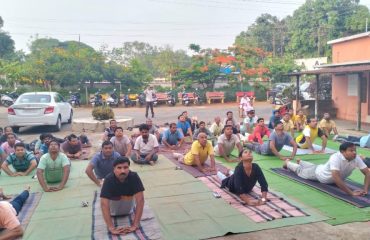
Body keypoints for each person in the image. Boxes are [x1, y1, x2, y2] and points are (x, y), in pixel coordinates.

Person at [284, 142, 370, 196]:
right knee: (300, 171)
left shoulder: (356, 158)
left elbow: (367, 173)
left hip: (321, 168)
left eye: (355, 150)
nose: (354, 152)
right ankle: (287, 163)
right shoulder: (335, 157)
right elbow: (336, 177)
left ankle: (301, 161)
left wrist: (365, 189)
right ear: (343, 152)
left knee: (315, 166)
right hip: (318, 175)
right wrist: (351, 193)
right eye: (351, 150)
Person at [100, 157, 145, 235]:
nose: (123, 171)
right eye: (119, 168)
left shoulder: (134, 176)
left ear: (129, 168)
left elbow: (140, 200)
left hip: (129, 210)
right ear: (114, 169)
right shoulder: (108, 179)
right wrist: (111, 227)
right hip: (112, 211)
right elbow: (104, 204)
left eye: (125, 167)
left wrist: (135, 224)